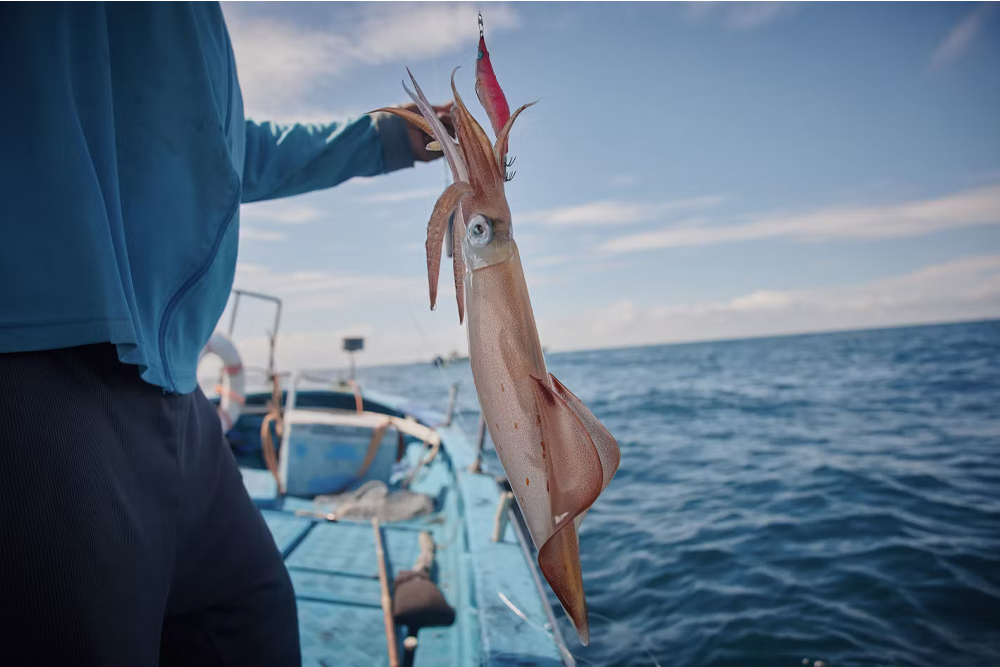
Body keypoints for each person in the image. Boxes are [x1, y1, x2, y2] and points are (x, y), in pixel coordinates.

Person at [0, 4, 452, 665]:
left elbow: (223, 147)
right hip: (41, 367)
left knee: (250, 622)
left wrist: (385, 137)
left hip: (173, 388)